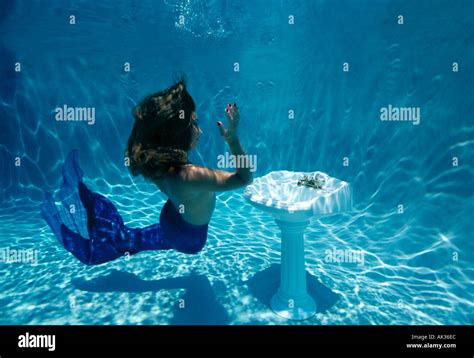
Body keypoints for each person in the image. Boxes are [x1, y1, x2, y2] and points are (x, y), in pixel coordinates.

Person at [40, 79, 253, 265]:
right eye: (195, 124)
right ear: (180, 134)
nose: (201, 130)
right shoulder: (191, 175)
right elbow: (244, 178)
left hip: (171, 219)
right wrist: (233, 140)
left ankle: (110, 233)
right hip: (189, 238)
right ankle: (107, 241)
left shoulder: (160, 164)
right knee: (133, 240)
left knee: (136, 239)